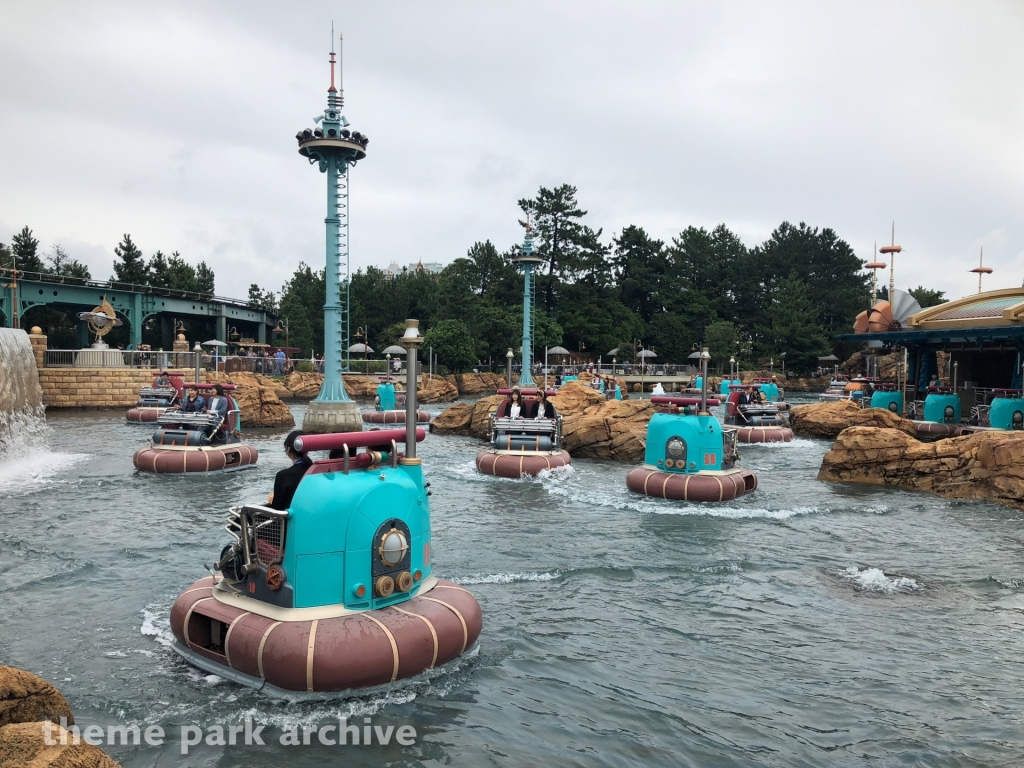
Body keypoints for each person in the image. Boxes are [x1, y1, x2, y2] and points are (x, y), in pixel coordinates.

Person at [267, 430, 313, 511]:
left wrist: (272, 502)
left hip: (290, 521)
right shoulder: (315, 470)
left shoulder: (283, 476)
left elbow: (278, 509)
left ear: (288, 449)